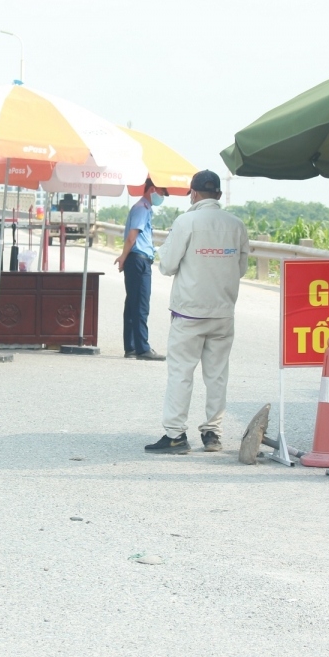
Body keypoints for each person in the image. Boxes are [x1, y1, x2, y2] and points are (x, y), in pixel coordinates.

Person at [145, 170, 249, 455]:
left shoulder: (186, 222)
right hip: (223, 313)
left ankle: (176, 435)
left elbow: (166, 266)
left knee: (181, 372)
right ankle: (213, 433)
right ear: (218, 194)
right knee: (217, 375)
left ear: (193, 193)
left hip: (189, 313)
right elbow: (241, 268)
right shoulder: (236, 225)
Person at [114, 178, 165, 360]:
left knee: (133, 304)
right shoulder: (141, 208)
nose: (163, 196)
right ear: (152, 189)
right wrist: (123, 256)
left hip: (137, 259)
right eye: (161, 192)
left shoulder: (144, 209)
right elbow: (131, 237)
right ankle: (142, 348)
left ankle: (132, 346)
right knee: (140, 304)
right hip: (138, 260)